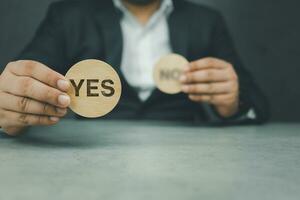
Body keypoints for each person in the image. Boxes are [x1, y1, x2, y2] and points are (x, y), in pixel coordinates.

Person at [0, 0, 269, 136]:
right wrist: (9, 106)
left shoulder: (206, 21)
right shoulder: (69, 15)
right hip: (92, 154)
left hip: (189, 155)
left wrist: (233, 102)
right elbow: (21, 81)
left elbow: (256, 102)